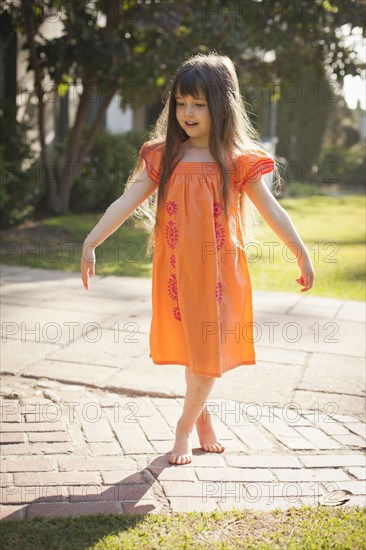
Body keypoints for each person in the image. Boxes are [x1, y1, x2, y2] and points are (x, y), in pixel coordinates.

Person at [80, 52, 315, 466]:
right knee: (194, 353)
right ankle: (203, 418)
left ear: (221, 105)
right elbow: (127, 200)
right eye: (181, 103)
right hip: (176, 273)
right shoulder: (164, 155)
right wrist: (92, 241)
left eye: (199, 104)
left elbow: (272, 211)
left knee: (207, 359)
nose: (187, 113)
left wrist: (301, 253)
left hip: (222, 273)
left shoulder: (238, 160)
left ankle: (183, 428)